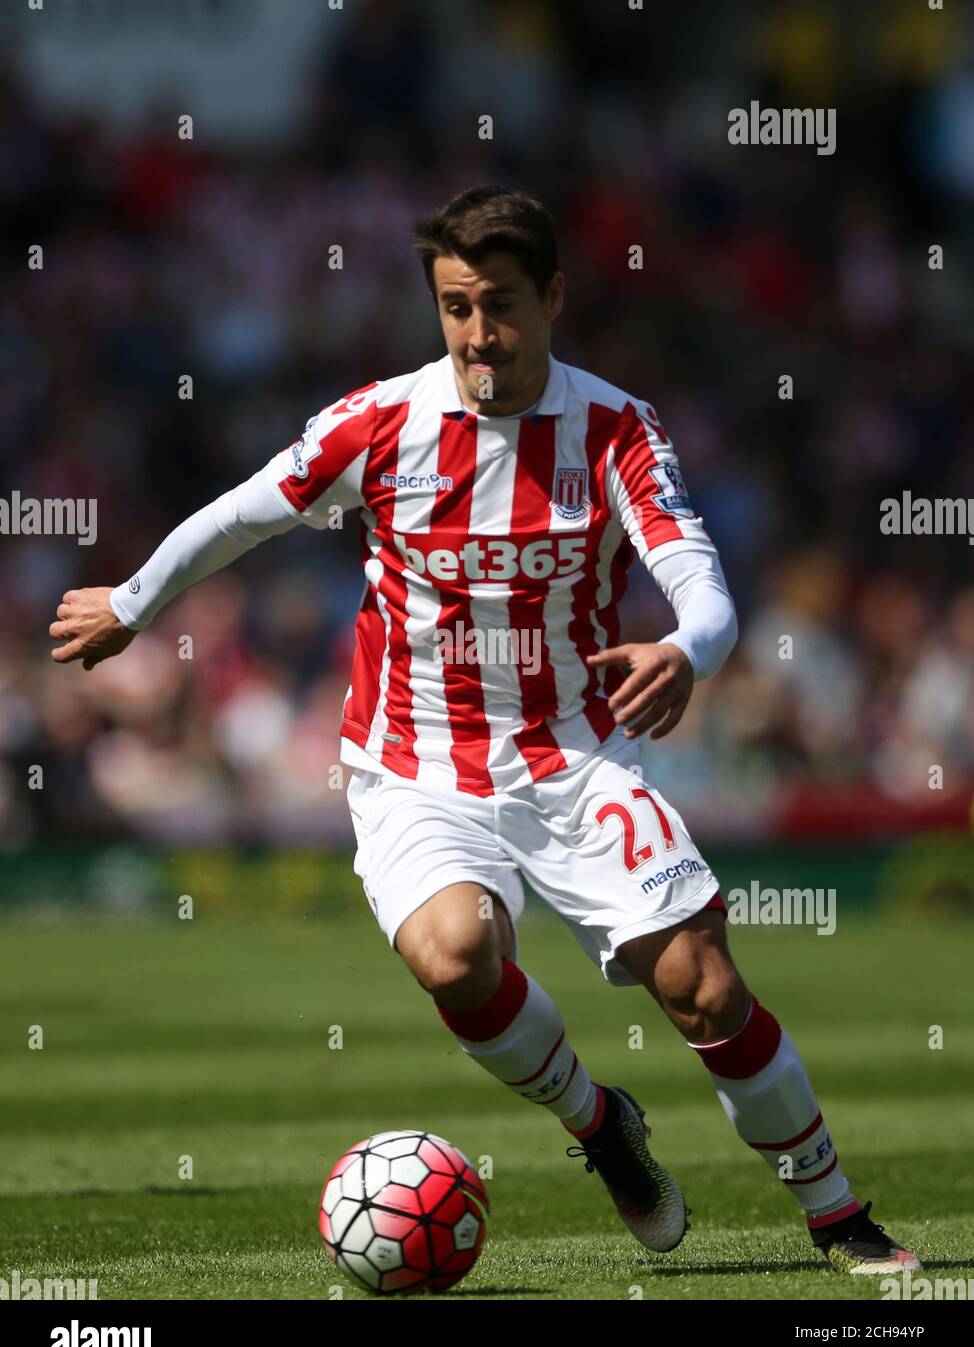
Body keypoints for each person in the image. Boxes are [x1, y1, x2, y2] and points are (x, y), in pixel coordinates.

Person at [50, 185, 918, 1275]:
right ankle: (600, 1125)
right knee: (454, 955)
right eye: (454, 306)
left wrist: (685, 650)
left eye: (498, 304)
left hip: (574, 753)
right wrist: (132, 602)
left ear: (552, 297)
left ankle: (836, 1213)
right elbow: (245, 510)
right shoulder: (380, 423)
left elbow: (701, 584)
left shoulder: (612, 429)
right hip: (415, 764)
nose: (476, 334)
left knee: (700, 980)